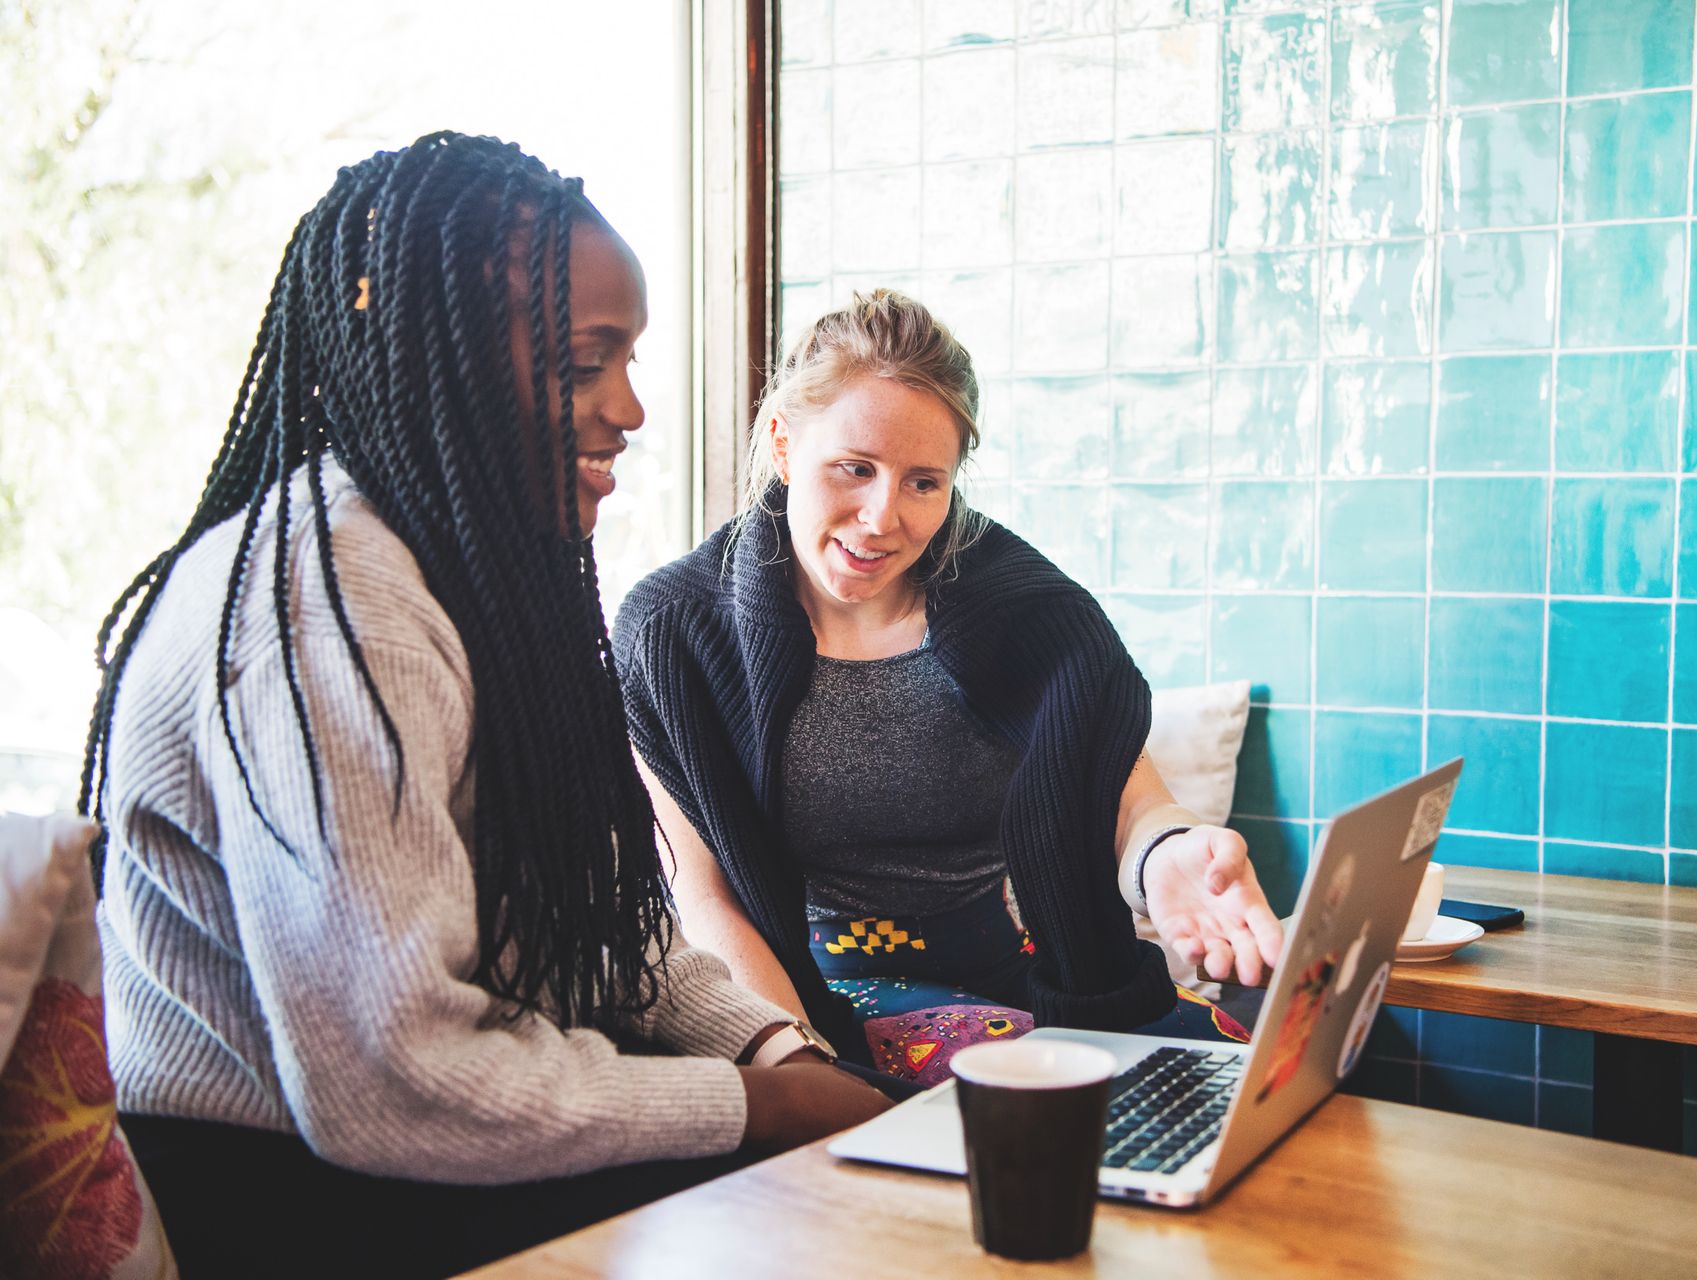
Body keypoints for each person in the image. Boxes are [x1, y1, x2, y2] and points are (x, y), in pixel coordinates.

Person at [81, 133, 889, 1278]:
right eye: (580, 363)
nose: (630, 407)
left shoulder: (469, 570)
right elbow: (393, 1080)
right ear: (434, 359)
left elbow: (588, 932)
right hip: (296, 1199)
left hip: (434, 1152)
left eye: (631, 357)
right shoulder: (328, 602)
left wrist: (778, 1051)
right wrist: (751, 1108)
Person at [613, 290, 1285, 1084]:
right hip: (806, 994)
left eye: (922, 483)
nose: (880, 518)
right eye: (853, 470)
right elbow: (708, 902)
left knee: (1250, 1077)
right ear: (784, 445)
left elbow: (1126, 795)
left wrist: (1171, 851)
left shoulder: (1032, 612)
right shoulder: (674, 631)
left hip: (1013, 973)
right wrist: (798, 1068)